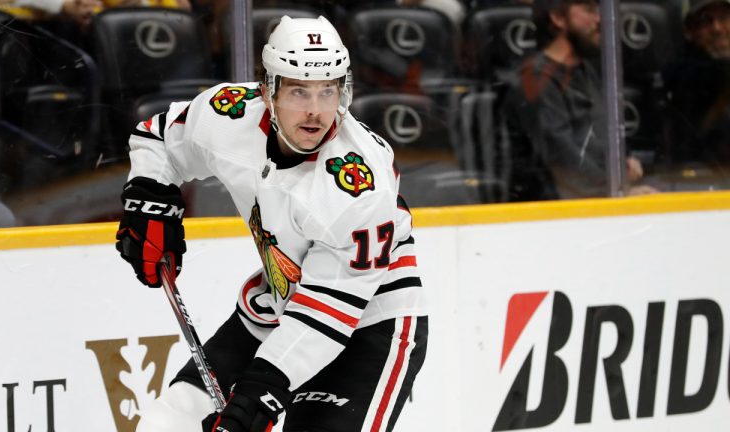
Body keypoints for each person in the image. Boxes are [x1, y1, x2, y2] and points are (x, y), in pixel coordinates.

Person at [115, 16, 428, 432]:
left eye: (327, 90)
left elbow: (328, 310)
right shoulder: (229, 114)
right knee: (168, 421)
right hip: (280, 304)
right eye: (299, 90)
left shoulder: (359, 183)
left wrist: (258, 395)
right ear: (269, 90)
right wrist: (150, 203)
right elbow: (158, 138)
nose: (316, 110)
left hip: (370, 323)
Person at [501, 0, 656, 200]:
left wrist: (623, 162)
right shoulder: (535, 80)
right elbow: (562, 162)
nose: (600, 19)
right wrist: (619, 191)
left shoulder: (586, 71)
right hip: (551, 215)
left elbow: (595, 137)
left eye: (600, 9)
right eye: (589, 10)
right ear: (558, 17)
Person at [661, 0, 730, 182]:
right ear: (689, 31)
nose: (717, 28)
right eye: (706, 21)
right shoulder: (683, 76)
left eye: (724, 18)